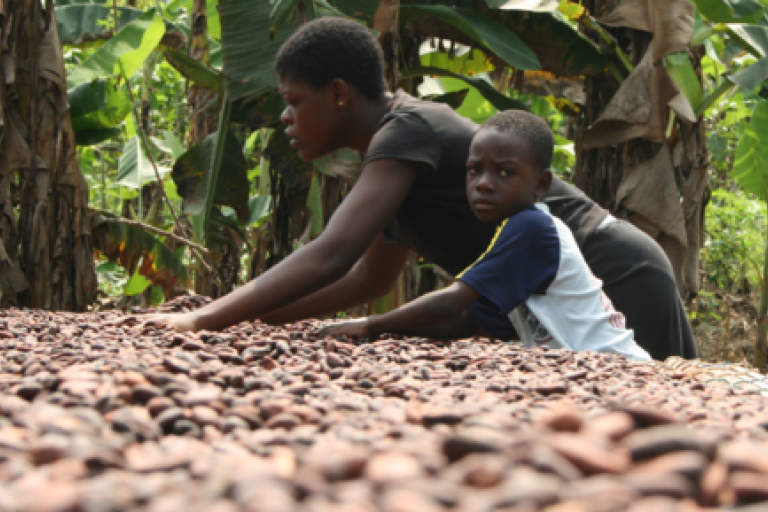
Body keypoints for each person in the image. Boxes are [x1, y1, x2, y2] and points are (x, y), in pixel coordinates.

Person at [146, 16, 696, 361]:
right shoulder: (390, 160)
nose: (286, 118)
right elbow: (370, 277)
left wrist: (203, 319)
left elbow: (334, 256)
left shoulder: (407, 130)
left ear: (337, 94)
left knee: (669, 436)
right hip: (552, 303)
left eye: (293, 101)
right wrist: (250, 317)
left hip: (613, 270)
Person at [318, 110, 652, 362]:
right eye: (474, 171)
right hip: (594, 370)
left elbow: (452, 301)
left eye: (505, 173)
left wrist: (370, 325)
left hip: (619, 366)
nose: (484, 183)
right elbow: (464, 323)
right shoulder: (516, 232)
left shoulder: (532, 229)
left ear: (541, 185)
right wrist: (389, 334)